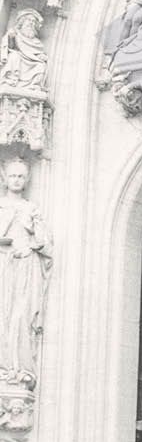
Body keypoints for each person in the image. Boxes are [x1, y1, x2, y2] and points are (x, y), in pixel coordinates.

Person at [0, 158, 53, 389]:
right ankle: (4, 369)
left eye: (21, 176)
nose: (16, 180)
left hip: (25, 268)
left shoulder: (31, 209)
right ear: (4, 178)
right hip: (3, 266)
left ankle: (22, 369)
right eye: (12, 176)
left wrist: (31, 233)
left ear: (27, 179)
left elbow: (45, 245)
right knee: (2, 316)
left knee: (21, 317)